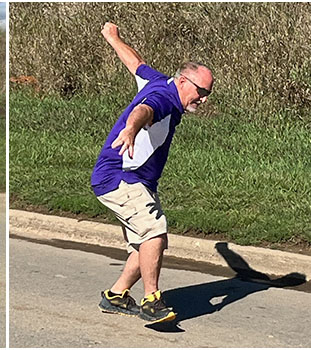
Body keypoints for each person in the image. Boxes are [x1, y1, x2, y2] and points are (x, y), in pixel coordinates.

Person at [91, 22, 213, 324]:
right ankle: (152, 300)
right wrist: (131, 129)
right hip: (119, 175)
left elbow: (135, 62)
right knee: (155, 231)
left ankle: (116, 295)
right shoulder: (163, 99)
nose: (204, 99)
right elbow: (143, 111)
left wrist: (113, 37)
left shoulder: (157, 81)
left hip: (137, 179)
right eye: (201, 91)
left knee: (145, 242)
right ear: (184, 82)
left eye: (208, 93)